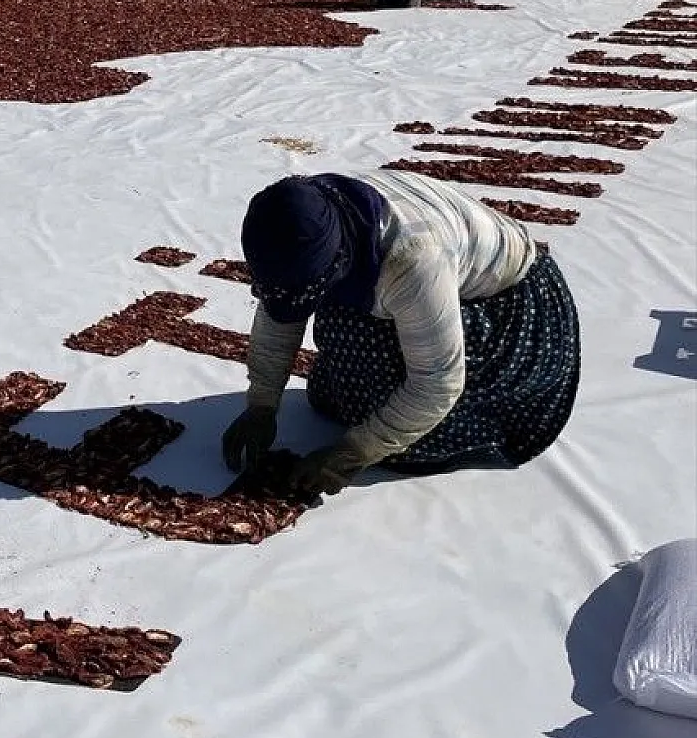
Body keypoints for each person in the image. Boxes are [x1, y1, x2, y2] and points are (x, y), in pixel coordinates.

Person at [220, 169, 581, 495]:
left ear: (337, 257)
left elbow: (437, 382)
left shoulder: (413, 259)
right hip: (413, 281)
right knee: (345, 333)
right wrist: (262, 405)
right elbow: (280, 315)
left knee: (406, 430)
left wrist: (352, 453)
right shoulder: (307, 214)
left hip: (507, 307)